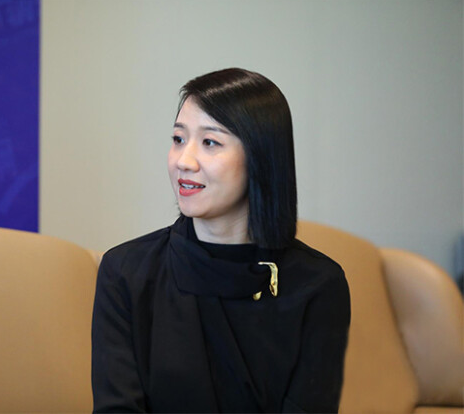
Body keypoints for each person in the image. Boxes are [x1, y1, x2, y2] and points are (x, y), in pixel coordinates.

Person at [91, 68, 351, 413]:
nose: (184, 161)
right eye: (178, 139)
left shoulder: (318, 285)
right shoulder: (126, 272)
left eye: (210, 142)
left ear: (261, 157)